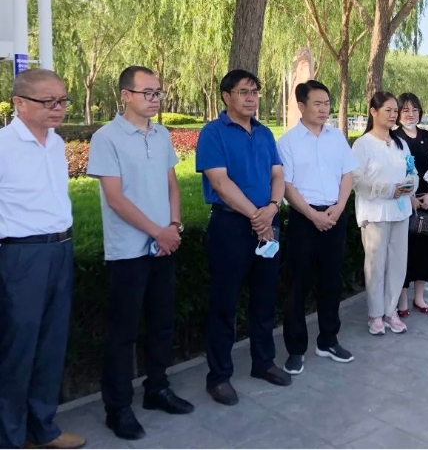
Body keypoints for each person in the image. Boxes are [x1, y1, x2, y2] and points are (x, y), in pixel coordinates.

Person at [86, 66, 195, 440]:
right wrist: (158, 232)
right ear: (126, 95)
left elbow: (172, 186)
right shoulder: (106, 138)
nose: (154, 99)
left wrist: (174, 226)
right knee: (124, 332)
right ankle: (117, 408)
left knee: (162, 323)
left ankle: (157, 389)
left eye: (158, 93)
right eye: (147, 93)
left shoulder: (161, 134)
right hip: (128, 251)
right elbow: (115, 199)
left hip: (164, 246)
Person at [0, 69, 85, 449]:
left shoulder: (55, 142)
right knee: (17, 349)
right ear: (19, 103)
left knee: (51, 344)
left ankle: (43, 428)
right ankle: (10, 437)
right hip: (21, 255)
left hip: (60, 249)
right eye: (48, 101)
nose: (59, 108)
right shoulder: (3, 146)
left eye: (63, 100)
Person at [196, 69, 290, 407]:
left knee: (264, 298)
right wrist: (257, 216)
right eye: (243, 92)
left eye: (255, 92)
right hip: (231, 227)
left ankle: (263, 362)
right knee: (224, 304)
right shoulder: (213, 133)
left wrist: (272, 208)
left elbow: (277, 174)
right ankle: (219, 376)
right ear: (226, 96)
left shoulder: (264, 133)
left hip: (266, 222)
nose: (251, 98)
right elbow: (220, 183)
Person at [278, 80, 359, 375]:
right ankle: (295, 349)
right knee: (297, 284)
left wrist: (339, 207)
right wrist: (313, 215)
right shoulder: (287, 142)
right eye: (317, 103)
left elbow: (347, 174)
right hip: (304, 218)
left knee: (331, 281)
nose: (324, 109)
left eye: (327, 103)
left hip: (335, 215)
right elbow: (287, 186)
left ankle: (328, 340)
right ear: (301, 106)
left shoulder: (336, 137)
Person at [351, 91, 418, 335]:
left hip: (400, 212)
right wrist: (388, 189)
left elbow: (412, 171)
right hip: (375, 213)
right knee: (376, 265)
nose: (392, 115)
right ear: (373, 112)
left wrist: (410, 185)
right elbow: (356, 180)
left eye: (395, 111)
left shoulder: (401, 143)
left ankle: (391, 311)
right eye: (387, 110)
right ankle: (375, 314)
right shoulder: (363, 144)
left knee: (398, 264)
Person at [394, 92, 428, 316]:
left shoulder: (427, 136)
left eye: (415, 110)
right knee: (404, 249)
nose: (410, 114)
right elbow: (395, 172)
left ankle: (420, 297)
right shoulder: (394, 138)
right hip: (403, 201)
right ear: (398, 113)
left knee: (424, 248)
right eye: (405, 110)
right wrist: (409, 197)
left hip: (426, 201)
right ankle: (402, 299)